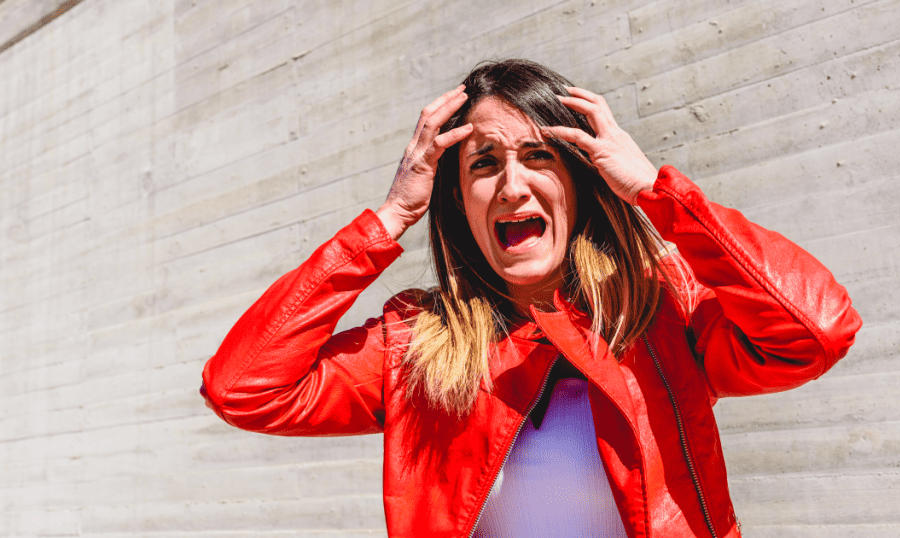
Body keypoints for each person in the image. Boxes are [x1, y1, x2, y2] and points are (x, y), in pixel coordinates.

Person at [201, 59, 862, 538]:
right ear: (458, 200)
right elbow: (242, 388)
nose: (513, 185)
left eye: (539, 156)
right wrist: (390, 216)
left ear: (578, 182)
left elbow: (815, 331)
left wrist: (654, 192)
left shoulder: (656, 308)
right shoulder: (412, 340)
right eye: (484, 163)